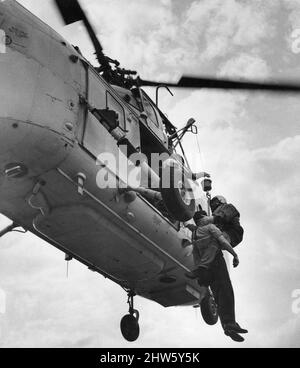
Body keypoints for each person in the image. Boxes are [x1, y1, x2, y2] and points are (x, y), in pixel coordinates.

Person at [184, 210, 248, 342]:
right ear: (204, 218)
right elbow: (223, 242)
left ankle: (227, 326)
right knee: (226, 291)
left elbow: (196, 254)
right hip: (217, 262)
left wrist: (199, 270)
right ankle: (229, 323)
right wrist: (234, 255)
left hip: (206, 269)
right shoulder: (210, 227)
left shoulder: (194, 235)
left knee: (218, 295)